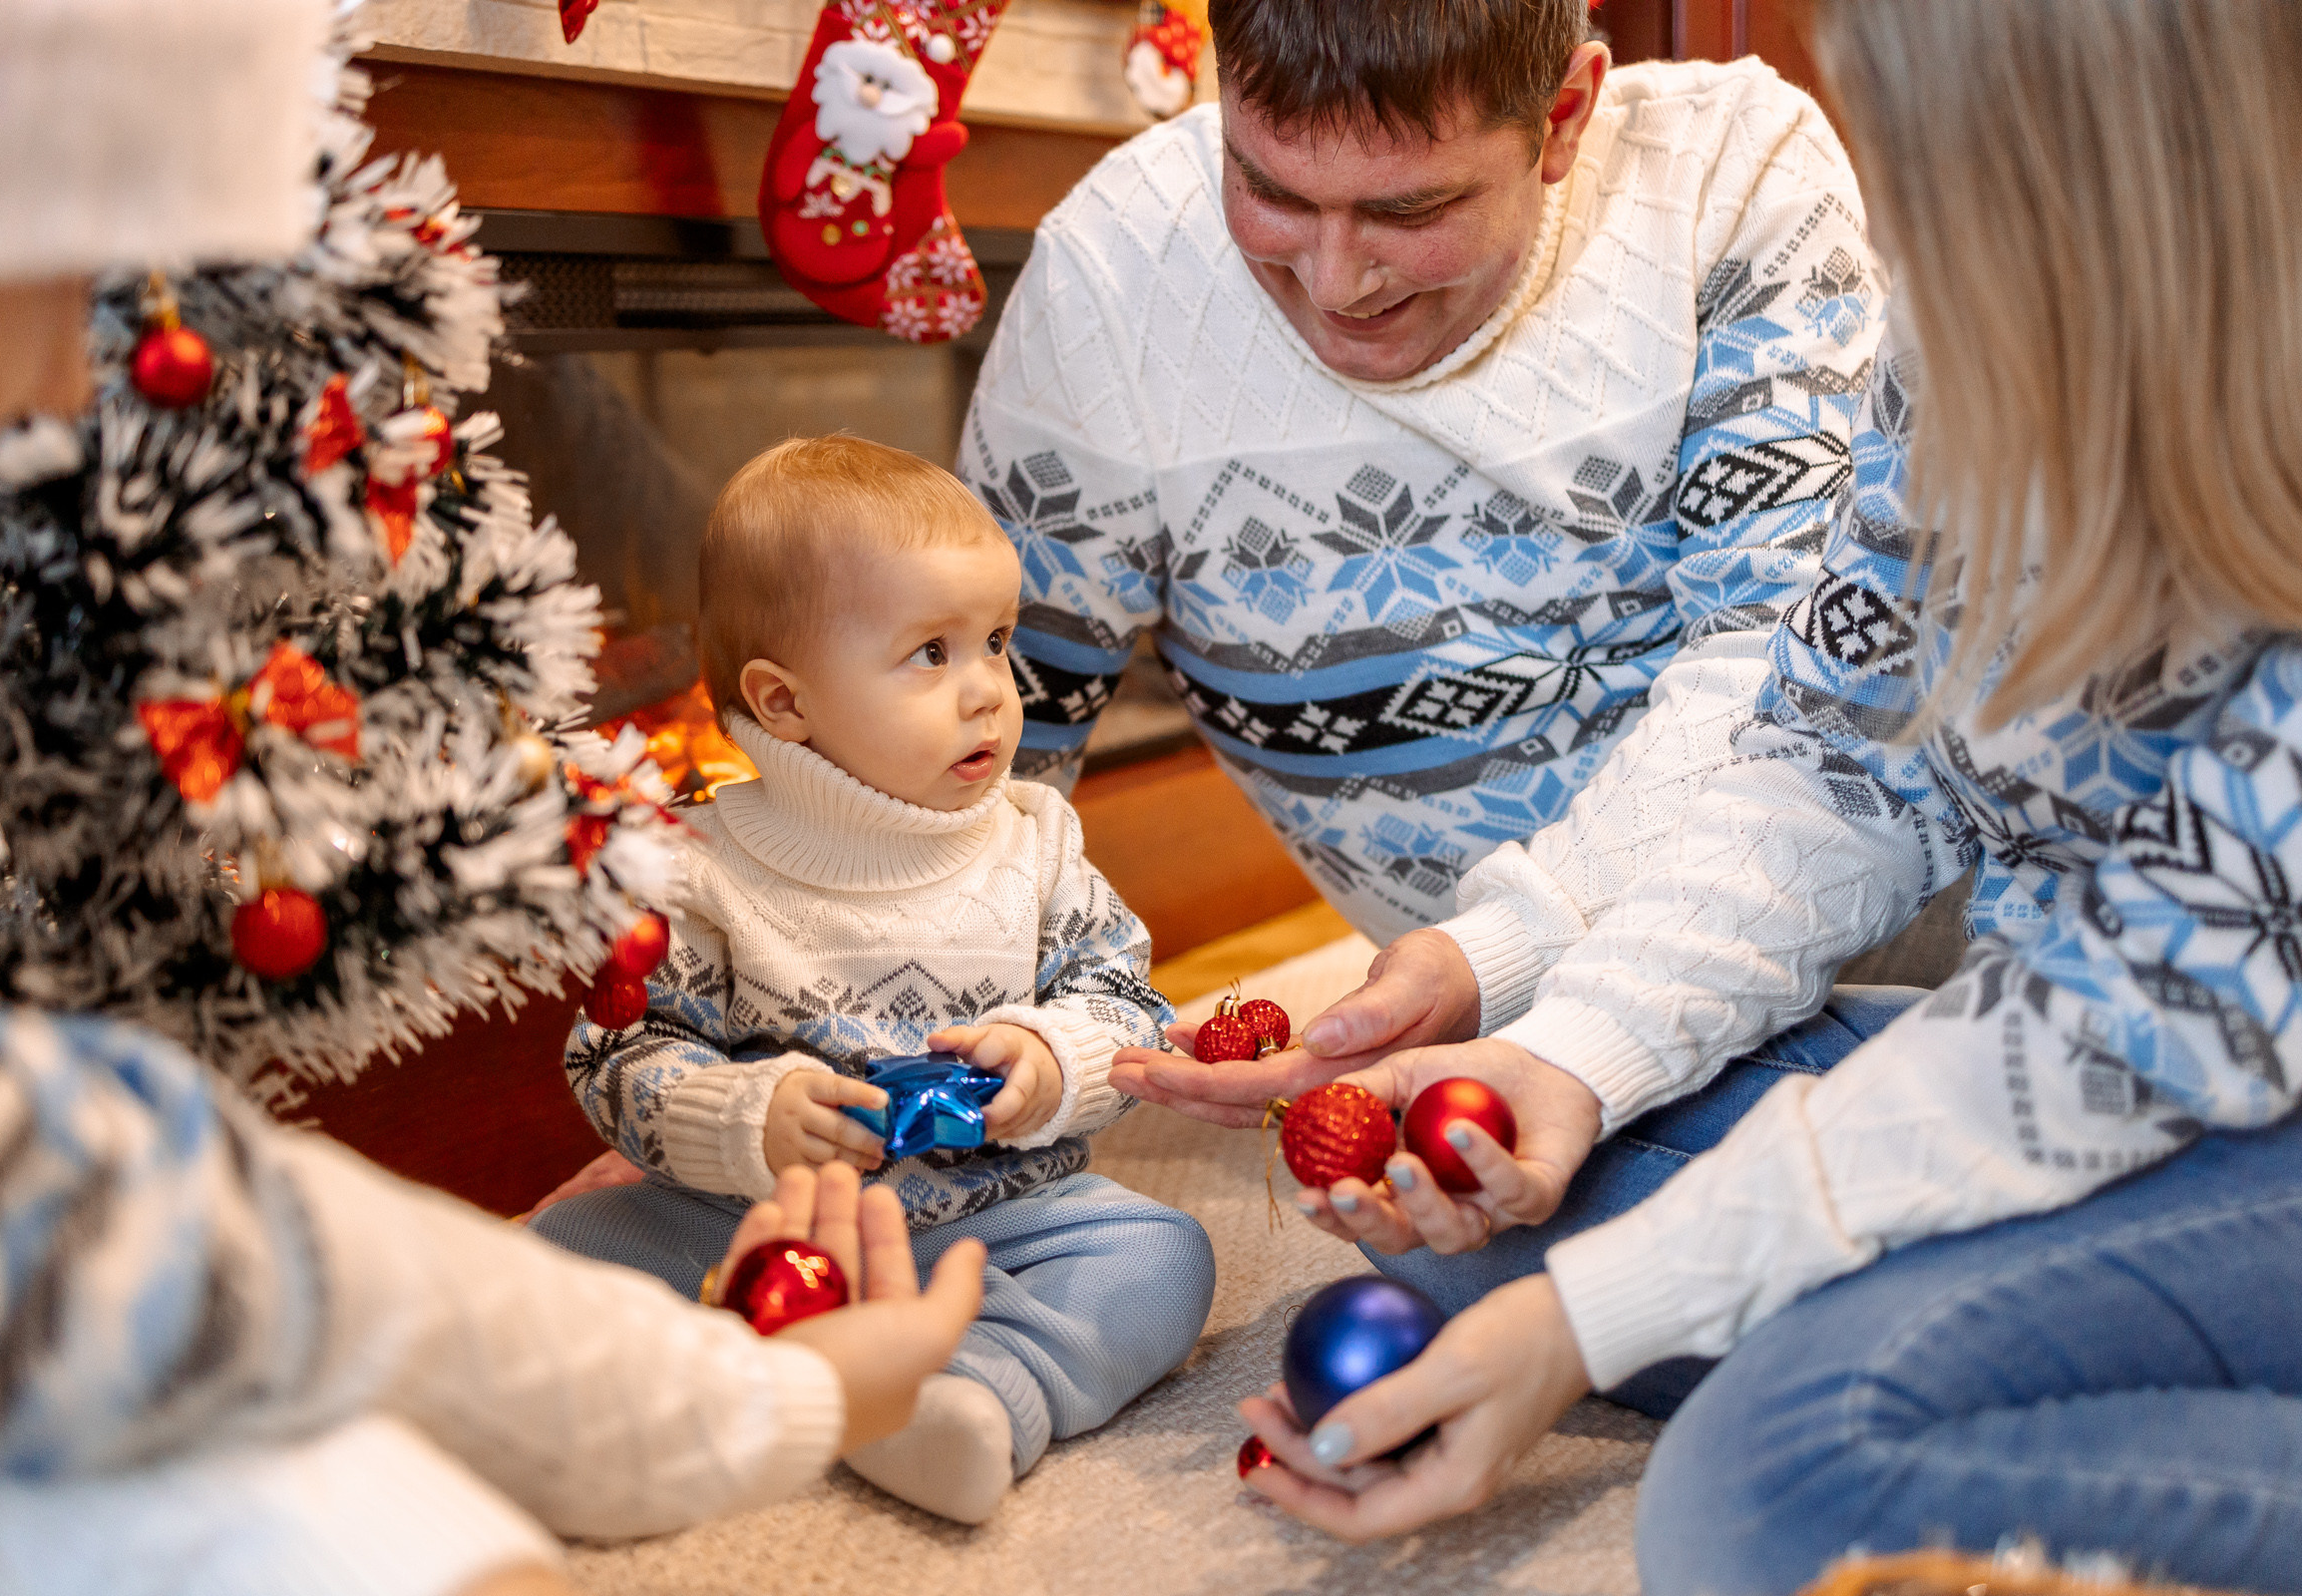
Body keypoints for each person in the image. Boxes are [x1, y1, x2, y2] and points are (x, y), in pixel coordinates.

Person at [1227, 4, 2302, 1593]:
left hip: (2213, 1080)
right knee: (1493, 1210)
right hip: (2096, 1047)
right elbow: (1839, 754)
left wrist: (1604, 1315)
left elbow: (2136, 1007)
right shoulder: (1967, 327)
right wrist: (1578, 1054)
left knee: (1774, 1491)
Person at [0, 6, 983, 1595]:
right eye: (74, 266)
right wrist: (775, 1370)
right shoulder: (709, 869)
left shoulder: (1028, 833)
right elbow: (206, 1238)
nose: (81, 367)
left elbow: (132, 1213)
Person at [967, 0, 1883, 950]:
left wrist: (1497, 961)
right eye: (1271, 192)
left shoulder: (1731, 172)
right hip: (1466, 1020)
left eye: (1407, 210)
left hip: (1849, 961)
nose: (1334, 285)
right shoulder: (1113, 269)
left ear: (1565, 116)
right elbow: (981, 751)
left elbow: (1787, 676)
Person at [529, 436, 1215, 1526]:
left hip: (1002, 1219)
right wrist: (748, 1117)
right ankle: (746, 1350)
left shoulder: (1033, 843)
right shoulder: (697, 872)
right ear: (785, 703)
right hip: (757, 1223)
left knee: (1161, 1254)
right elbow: (620, 1055)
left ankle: (972, 1395)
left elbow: (1127, 1006)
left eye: (994, 640)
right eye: (930, 654)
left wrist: (1051, 1059)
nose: (990, 688)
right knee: (550, 1256)